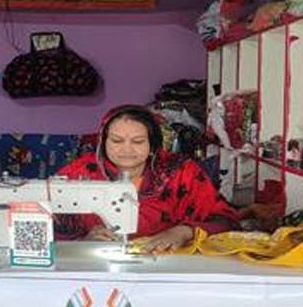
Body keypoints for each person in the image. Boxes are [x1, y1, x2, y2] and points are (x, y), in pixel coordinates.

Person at [54, 104, 237, 253]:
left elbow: (226, 222)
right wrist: (83, 242)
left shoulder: (182, 172)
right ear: (103, 143)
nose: (126, 149)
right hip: (96, 265)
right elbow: (47, 223)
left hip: (170, 265)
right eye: (116, 141)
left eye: (138, 141)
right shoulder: (79, 172)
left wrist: (183, 232)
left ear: (152, 145)